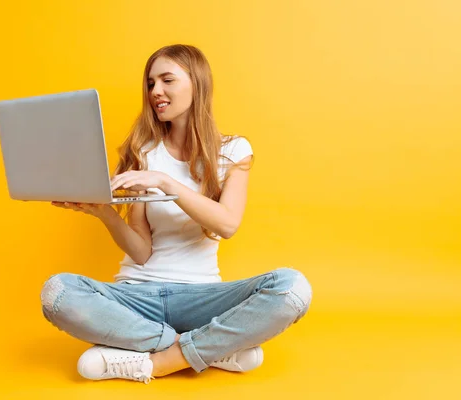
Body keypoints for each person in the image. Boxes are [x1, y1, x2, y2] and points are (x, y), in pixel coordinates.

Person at [41, 44, 312, 384]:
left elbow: (227, 224)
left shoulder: (233, 151)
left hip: (202, 299)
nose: (156, 92)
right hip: (137, 296)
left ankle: (151, 362)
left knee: (292, 288)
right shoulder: (143, 151)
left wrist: (165, 181)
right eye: (151, 83)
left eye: (167, 80)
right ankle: (204, 348)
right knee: (58, 292)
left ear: (197, 84)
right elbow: (141, 252)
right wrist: (105, 214)